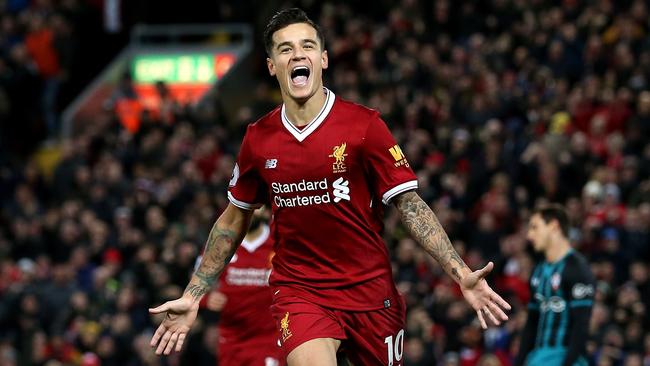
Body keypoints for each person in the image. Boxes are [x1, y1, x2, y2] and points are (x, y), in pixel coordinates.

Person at [149, 8, 510, 366]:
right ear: (272, 65)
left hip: (371, 294)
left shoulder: (364, 126)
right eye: (285, 49)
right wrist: (194, 293)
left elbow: (410, 206)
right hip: (301, 292)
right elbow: (232, 221)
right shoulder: (258, 140)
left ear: (322, 59)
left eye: (306, 46)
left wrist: (462, 274)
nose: (297, 54)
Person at [200, 207, 282, 366]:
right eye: (246, 205)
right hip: (231, 341)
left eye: (256, 206)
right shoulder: (221, 243)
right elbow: (195, 286)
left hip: (269, 339)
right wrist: (207, 299)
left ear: (265, 211)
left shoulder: (278, 242)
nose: (250, 210)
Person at [515, 205, 596, 366]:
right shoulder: (537, 271)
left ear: (554, 226)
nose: (530, 235)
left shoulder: (577, 268)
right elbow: (531, 323)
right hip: (538, 359)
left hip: (567, 359)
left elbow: (581, 326)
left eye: (534, 227)